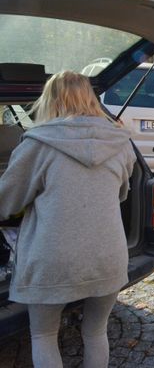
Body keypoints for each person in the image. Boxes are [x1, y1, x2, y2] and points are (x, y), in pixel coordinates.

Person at [0, 71, 136, 368]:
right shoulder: (120, 141)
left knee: (44, 335)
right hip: (108, 255)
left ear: (50, 100)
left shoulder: (37, 143)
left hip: (52, 259)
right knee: (96, 331)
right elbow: (122, 193)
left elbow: (6, 203)